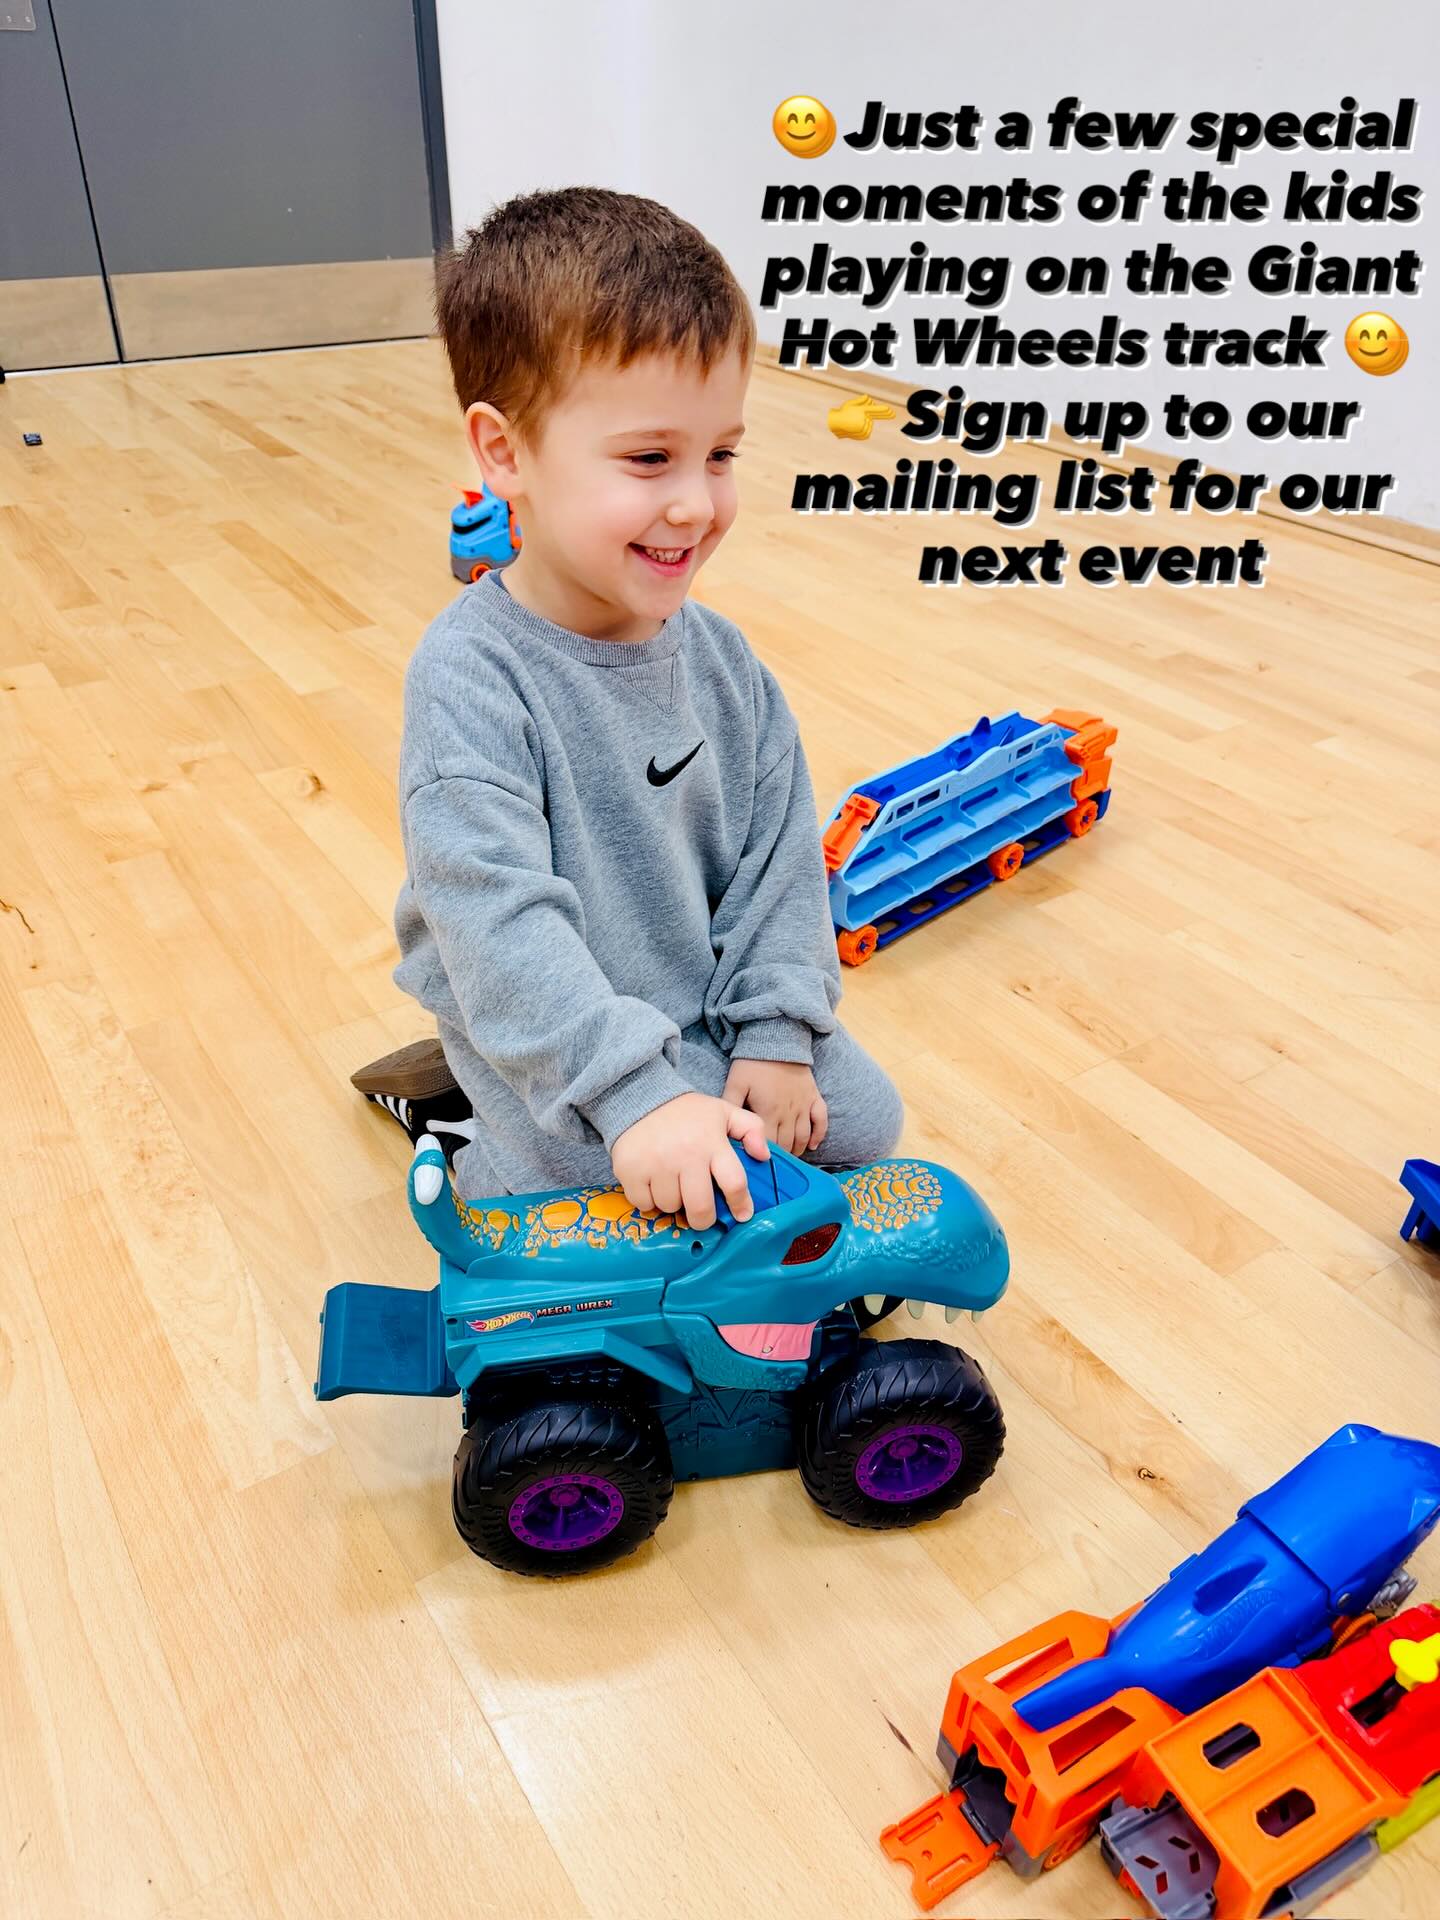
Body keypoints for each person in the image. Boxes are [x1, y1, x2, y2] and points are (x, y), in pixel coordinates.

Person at [353, 186, 902, 1228]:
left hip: (691, 993)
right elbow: (497, 923)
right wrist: (636, 1098)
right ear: (504, 453)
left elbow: (777, 860)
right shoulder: (472, 679)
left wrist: (778, 1033)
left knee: (864, 1123)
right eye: (651, 458)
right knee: (582, 1191)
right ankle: (461, 1125)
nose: (696, 502)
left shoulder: (725, 662)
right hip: (543, 1015)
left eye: (721, 453)